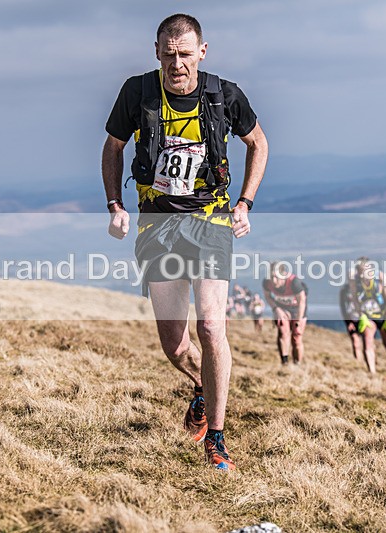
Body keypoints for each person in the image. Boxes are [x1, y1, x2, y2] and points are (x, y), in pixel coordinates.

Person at [102, 14, 268, 471]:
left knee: (212, 327)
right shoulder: (137, 93)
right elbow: (113, 147)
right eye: (169, 53)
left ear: (202, 51)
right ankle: (202, 386)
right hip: (156, 224)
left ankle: (216, 437)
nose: (177, 62)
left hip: (210, 221)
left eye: (185, 52)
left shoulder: (224, 95)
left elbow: (259, 144)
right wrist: (115, 204)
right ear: (157, 51)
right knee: (175, 344)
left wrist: (245, 203)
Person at [352, 257, 386, 377]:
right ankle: (372, 373)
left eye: (364, 270)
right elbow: (355, 300)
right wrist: (361, 315)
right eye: (360, 271)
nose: (362, 274)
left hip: (383, 316)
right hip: (368, 316)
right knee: (367, 342)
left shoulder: (380, 279)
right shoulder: (355, 282)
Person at [262, 262, 308, 365]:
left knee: (296, 337)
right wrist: (276, 309)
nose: (273, 281)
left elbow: (302, 301)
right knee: (283, 332)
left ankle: (298, 363)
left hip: (298, 309)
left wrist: (298, 320)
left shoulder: (294, 282)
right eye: (271, 277)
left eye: (276, 277)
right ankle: (285, 363)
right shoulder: (267, 282)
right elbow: (267, 296)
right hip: (282, 307)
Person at [339, 275, 364, 363]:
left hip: (364, 319)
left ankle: (369, 362)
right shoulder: (344, 291)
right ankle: (358, 362)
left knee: (367, 342)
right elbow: (343, 307)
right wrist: (348, 322)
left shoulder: (362, 288)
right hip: (351, 319)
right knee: (355, 341)